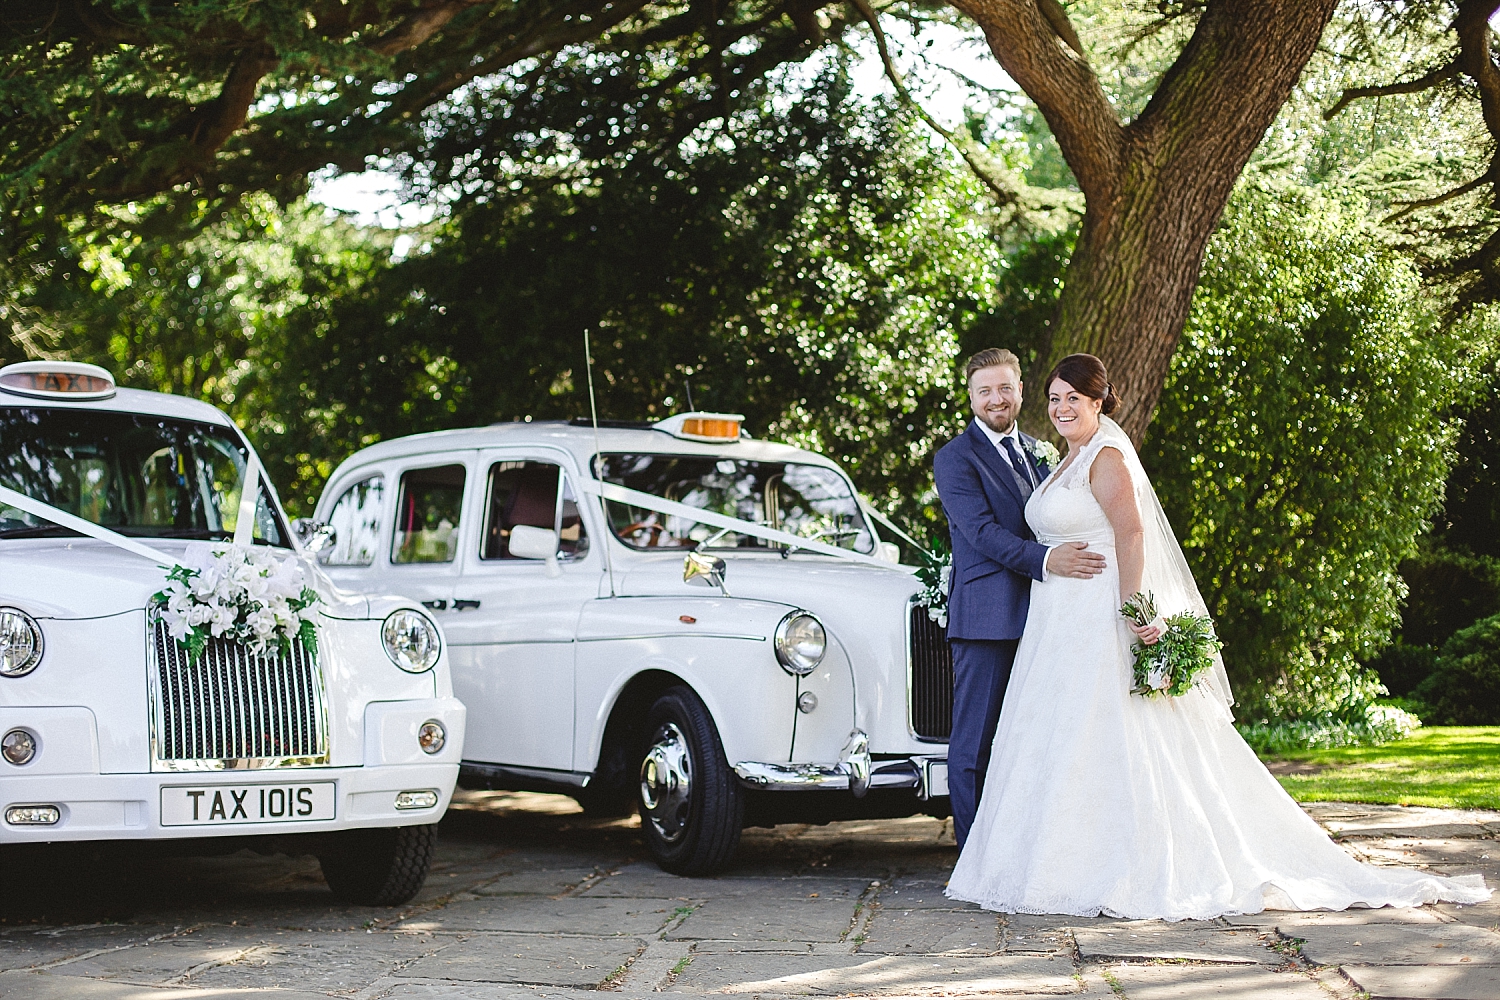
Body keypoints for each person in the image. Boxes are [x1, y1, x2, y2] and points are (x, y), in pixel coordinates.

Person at [946, 353, 1489, 919]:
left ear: (1099, 402)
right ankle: (1049, 858)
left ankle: (1123, 863)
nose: (1060, 408)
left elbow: (1131, 534)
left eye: (1072, 400)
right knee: (1057, 740)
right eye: (1055, 399)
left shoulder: (1105, 455)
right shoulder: (1059, 457)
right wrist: (1050, 560)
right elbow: (1000, 530)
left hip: (1096, 611)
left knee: (1112, 733)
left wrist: (1133, 607)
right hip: (1056, 619)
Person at [933, 348, 1107, 850]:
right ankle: (972, 856)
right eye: (984, 390)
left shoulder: (1041, 451)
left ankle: (1024, 851)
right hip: (988, 619)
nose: (996, 399)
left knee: (1033, 739)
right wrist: (1048, 559)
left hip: (1048, 617)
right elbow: (982, 533)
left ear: (1020, 391)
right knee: (974, 746)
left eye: (1004, 388)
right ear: (970, 397)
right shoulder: (954, 459)